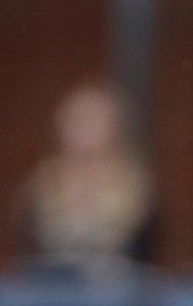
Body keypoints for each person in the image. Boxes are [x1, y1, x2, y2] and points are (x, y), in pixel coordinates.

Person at [19, 81, 156, 267]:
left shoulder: (136, 184)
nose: (82, 129)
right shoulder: (43, 183)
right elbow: (28, 247)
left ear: (115, 125)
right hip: (51, 284)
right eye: (74, 119)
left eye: (92, 119)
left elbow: (146, 249)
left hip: (117, 288)